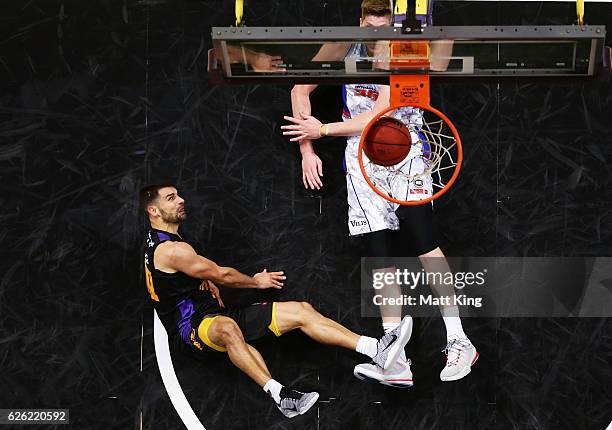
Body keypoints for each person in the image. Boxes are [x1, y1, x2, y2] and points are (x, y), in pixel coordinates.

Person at [281, 0, 477, 386]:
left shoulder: (407, 47)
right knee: (378, 253)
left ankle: (460, 339)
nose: (377, 37)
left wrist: (320, 132)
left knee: (424, 243)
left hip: (403, 148)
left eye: (384, 29)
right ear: (359, 23)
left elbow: (382, 111)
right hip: (360, 158)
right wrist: (307, 147)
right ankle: (395, 357)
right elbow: (298, 88)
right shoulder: (344, 45)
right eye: (371, 29)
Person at [140, 183, 413, 418]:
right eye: (171, 198)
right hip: (190, 330)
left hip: (213, 314)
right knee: (226, 327)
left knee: (301, 311)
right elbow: (221, 274)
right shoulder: (172, 249)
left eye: (178, 195)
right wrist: (255, 282)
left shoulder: (163, 242)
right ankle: (282, 396)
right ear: (153, 211)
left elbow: (186, 279)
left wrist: (204, 285)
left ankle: (376, 349)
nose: (181, 200)